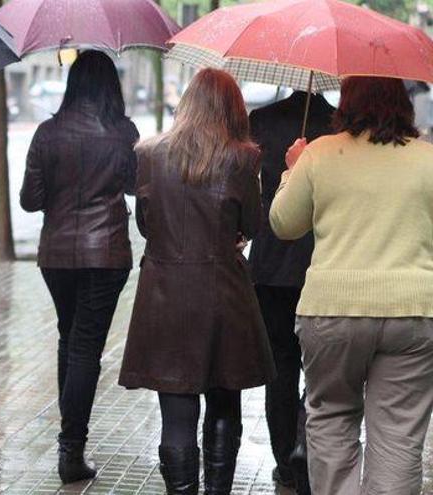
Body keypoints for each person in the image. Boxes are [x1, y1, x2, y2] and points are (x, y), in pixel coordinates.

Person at [270, 77, 433, 495]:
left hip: (331, 311)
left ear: (347, 101)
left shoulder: (320, 153)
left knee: (331, 420)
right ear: (403, 103)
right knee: (398, 435)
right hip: (413, 311)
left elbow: (284, 224)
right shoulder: (427, 159)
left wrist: (292, 171)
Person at [119, 68, 276, 494]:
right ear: (233, 108)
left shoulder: (150, 154)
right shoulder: (243, 157)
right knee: (224, 402)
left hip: (165, 294)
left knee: (176, 413)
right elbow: (253, 225)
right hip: (223, 293)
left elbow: (147, 225)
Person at [20, 50, 139, 484]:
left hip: (57, 255)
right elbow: (133, 186)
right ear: (112, 86)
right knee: (85, 347)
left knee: (68, 340)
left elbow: (30, 200)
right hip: (105, 253)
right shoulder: (124, 133)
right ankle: (71, 449)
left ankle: (70, 443)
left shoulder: (47, 133)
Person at [248, 90, 334, 494]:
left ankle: (285, 461)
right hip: (322, 260)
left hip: (270, 261)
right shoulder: (339, 126)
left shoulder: (261, 121)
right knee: (320, 366)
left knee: (279, 366)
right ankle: (304, 440)